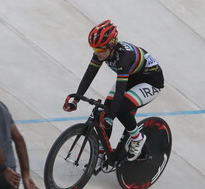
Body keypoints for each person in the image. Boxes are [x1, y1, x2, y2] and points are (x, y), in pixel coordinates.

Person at [63, 20, 164, 162]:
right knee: (104, 112)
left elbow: (120, 91)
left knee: (121, 109)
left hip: (150, 82)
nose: (96, 54)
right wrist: (76, 100)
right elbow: (89, 75)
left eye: (99, 50)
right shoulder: (103, 52)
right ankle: (102, 152)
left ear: (111, 45)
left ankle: (138, 138)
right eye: (94, 50)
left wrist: (111, 116)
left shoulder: (123, 59)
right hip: (130, 77)